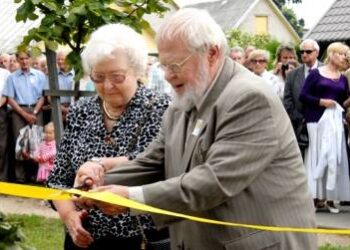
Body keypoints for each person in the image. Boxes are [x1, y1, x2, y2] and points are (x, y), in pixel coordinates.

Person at [75, 8, 317, 250]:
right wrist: (96, 184)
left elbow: (214, 181)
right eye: (163, 65)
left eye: (175, 65)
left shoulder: (249, 98)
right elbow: (154, 162)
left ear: (211, 53)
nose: (168, 76)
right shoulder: (186, 97)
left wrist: (131, 198)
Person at [47, 23, 170, 249]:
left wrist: (101, 166)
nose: (108, 85)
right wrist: (70, 218)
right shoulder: (81, 110)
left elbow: (156, 167)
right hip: (86, 240)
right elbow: (58, 179)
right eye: (98, 76)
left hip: (140, 240)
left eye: (117, 76)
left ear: (138, 70)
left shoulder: (162, 109)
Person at [299, 42, 350, 213]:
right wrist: (321, 102)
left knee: (334, 157)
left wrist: (344, 109)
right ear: (333, 54)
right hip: (315, 120)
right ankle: (313, 197)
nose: (345, 57)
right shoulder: (315, 74)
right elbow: (303, 96)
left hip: (334, 123)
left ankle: (330, 198)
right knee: (316, 156)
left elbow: (342, 102)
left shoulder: (343, 78)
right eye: (343, 54)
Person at [2, 49, 46, 183]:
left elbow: (43, 96)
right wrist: (23, 114)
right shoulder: (12, 77)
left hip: (36, 110)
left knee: (36, 144)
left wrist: (34, 113)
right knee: (19, 145)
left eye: (26, 58)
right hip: (18, 111)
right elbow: (10, 98)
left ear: (30, 59)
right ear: (17, 60)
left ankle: (35, 176)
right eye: (21, 59)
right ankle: (20, 177)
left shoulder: (39, 75)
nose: (24, 61)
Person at [283, 39, 323, 157]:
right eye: (302, 52)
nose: (304, 54)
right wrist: (299, 118)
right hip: (299, 127)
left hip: (321, 125)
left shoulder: (326, 71)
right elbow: (288, 100)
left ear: (317, 52)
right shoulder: (292, 75)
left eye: (308, 51)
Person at [0, 67, 10, 181]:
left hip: (1, 110)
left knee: (2, 146)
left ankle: (2, 179)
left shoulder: (5, 73)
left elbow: (6, 95)